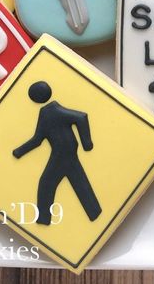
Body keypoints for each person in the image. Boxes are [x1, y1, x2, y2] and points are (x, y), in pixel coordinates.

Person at [12, 81, 101, 224]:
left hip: (62, 154)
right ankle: (95, 212)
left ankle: (43, 219)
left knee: (46, 184)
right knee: (78, 181)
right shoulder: (47, 112)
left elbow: (81, 117)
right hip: (66, 152)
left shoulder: (52, 111)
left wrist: (87, 143)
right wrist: (19, 152)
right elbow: (38, 139)